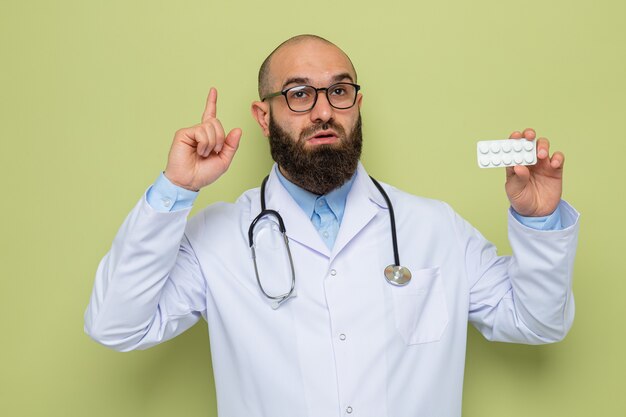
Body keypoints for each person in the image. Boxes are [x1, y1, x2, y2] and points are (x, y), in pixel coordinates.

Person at [84, 34, 580, 417]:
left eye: (339, 91)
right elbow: (116, 325)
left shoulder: (435, 228)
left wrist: (539, 223)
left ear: (357, 105)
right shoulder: (218, 238)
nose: (324, 111)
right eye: (299, 94)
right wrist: (175, 189)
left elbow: (538, 322)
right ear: (263, 115)